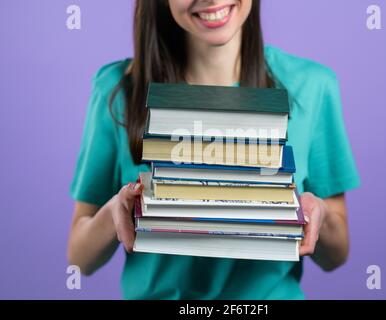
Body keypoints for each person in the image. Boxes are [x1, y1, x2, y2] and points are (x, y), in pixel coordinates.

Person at [67, 0, 360, 299]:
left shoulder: (311, 86)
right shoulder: (116, 90)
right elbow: (80, 257)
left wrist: (317, 215)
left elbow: (336, 255)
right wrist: (114, 212)